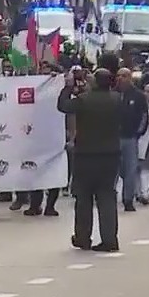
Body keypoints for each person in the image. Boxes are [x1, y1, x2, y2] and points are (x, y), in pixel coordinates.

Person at [58, 68, 123, 252]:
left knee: (83, 198)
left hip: (86, 154)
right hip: (110, 154)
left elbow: (63, 106)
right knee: (107, 197)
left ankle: (83, 237)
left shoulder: (84, 100)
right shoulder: (117, 99)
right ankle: (110, 239)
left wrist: (68, 87)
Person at [115, 68, 148, 212]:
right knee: (114, 169)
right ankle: (108, 196)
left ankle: (128, 200)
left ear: (130, 78)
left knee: (130, 170)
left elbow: (144, 116)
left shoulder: (138, 96)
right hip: (113, 137)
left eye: (124, 76)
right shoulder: (113, 94)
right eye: (119, 76)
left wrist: (139, 132)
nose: (121, 78)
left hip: (130, 137)